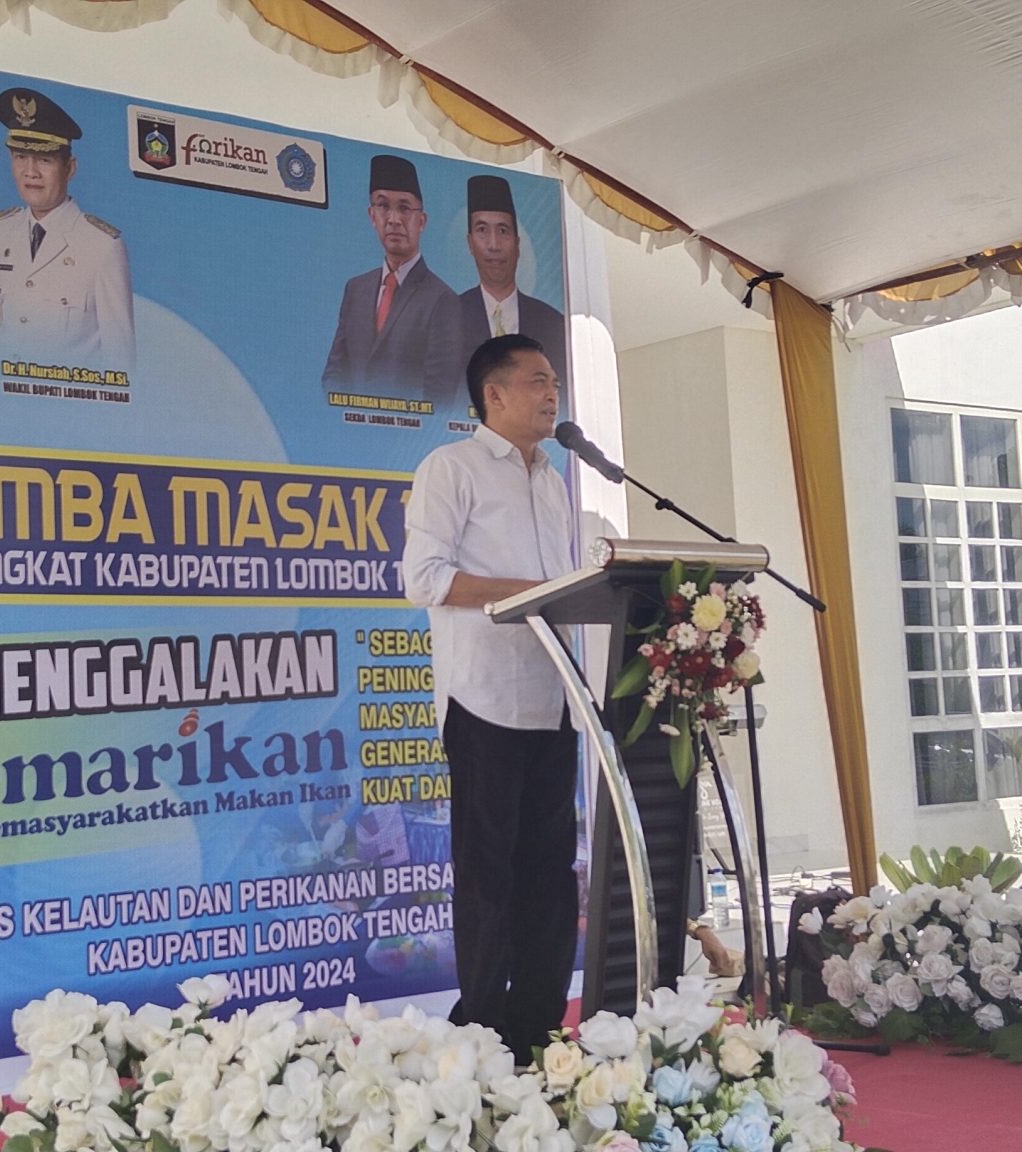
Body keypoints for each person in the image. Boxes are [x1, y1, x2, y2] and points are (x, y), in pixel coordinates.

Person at [399, 334, 576, 1063]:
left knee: (550, 874)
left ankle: (539, 1029)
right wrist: (532, 594)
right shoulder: (452, 468)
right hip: (484, 702)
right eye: (537, 380)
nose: (552, 392)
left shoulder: (554, 479)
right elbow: (424, 578)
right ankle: (481, 1029)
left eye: (554, 381)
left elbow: (565, 585)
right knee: (487, 876)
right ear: (493, 394)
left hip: (555, 697)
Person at [0, 86, 135, 371]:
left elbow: (121, 361)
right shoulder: (1, 231)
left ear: (69, 168)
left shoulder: (101, 245)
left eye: (44, 159)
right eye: (20, 157)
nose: (30, 172)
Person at [322, 155, 467, 409]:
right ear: (372, 216)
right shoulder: (356, 289)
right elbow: (335, 372)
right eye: (383, 206)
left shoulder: (442, 299)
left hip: (408, 431)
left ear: (421, 221)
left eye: (404, 208)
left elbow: (439, 395)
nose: (393, 219)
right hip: (349, 428)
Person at [455, 175, 569, 390]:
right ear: (470, 243)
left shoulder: (553, 324)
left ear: (517, 245)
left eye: (503, 231)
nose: (493, 245)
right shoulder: (447, 317)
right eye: (482, 230)